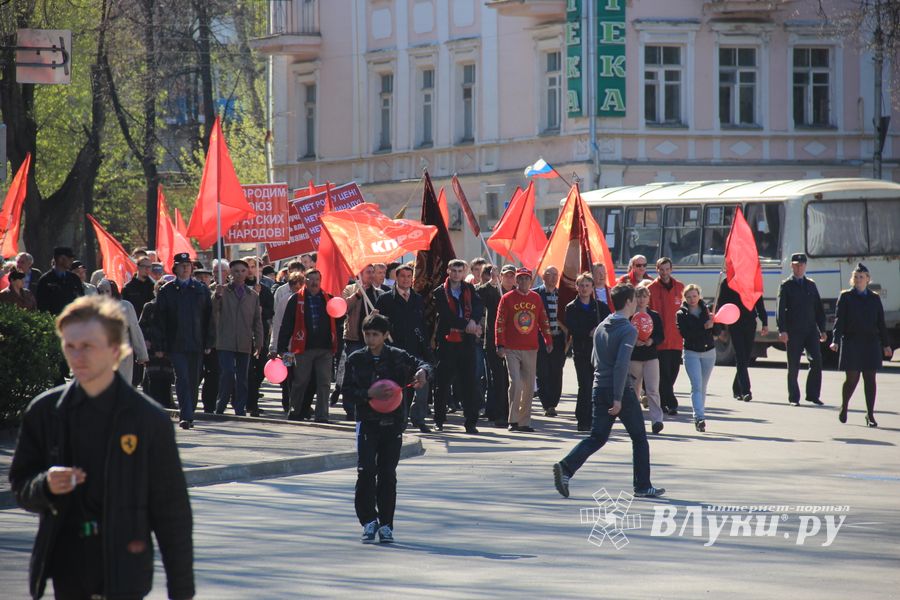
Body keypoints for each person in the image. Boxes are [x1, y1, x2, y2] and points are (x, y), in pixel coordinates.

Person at [8, 295, 194, 600]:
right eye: (70, 346)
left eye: (88, 346)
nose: (77, 356)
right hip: (66, 572)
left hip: (126, 573)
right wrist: (46, 484)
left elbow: (172, 512)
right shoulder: (46, 412)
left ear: (114, 350)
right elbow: (21, 485)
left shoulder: (149, 420)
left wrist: (182, 591)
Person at [553, 284, 665, 499]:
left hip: (599, 386)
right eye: (635, 300)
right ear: (630, 301)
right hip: (619, 390)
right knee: (639, 438)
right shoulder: (628, 329)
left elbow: (595, 359)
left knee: (597, 437)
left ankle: (566, 468)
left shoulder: (603, 324)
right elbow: (622, 364)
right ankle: (642, 486)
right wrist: (617, 397)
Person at [342, 313, 430, 544]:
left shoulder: (398, 357)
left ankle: (387, 524)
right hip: (367, 423)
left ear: (385, 335)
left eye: (375, 335)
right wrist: (368, 394)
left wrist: (423, 373)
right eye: (367, 334)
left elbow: (423, 364)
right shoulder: (356, 359)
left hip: (393, 424)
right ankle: (369, 520)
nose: (370, 340)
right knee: (366, 471)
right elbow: (347, 395)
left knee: (388, 475)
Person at [153, 253, 213, 429]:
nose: (185, 268)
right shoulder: (167, 291)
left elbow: (209, 319)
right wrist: (159, 345)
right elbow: (159, 320)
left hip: (196, 343)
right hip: (176, 344)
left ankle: (189, 411)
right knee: (183, 378)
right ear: (175, 268)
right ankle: (185, 415)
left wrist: (209, 342)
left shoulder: (201, 289)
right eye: (181, 265)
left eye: (188, 264)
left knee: (194, 380)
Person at [830, 263, 893, 427]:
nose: (858, 280)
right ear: (853, 279)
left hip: (870, 343)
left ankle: (870, 414)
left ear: (868, 279)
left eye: (861, 277)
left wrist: (887, 345)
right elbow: (839, 321)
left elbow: (881, 323)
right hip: (852, 341)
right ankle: (845, 406)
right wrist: (835, 341)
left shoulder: (874, 298)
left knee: (870, 379)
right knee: (852, 379)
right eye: (856, 277)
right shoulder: (846, 297)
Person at [375, 264, 433, 432]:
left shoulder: (417, 299)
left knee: (421, 385)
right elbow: (377, 326)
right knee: (400, 388)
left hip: (416, 349)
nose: (406, 279)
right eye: (402, 276)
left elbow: (423, 324)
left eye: (409, 276)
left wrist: (426, 345)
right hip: (395, 349)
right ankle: (401, 420)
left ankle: (419, 418)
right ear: (396, 277)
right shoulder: (385, 299)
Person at [496, 268, 552, 433]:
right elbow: (499, 323)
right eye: (520, 279)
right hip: (511, 349)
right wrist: (500, 344)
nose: (523, 282)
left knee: (528, 386)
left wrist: (548, 340)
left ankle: (524, 422)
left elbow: (543, 320)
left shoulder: (536, 299)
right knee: (516, 382)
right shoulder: (507, 299)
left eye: (527, 279)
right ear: (516, 281)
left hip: (531, 348)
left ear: (531, 281)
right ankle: (512, 420)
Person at [432, 259, 485, 433]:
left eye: (459, 271)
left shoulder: (469, 289)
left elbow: (478, 307)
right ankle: (439, 419)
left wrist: (474, 322)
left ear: (464, 272)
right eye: (453, 270)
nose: (456, 274)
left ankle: (471, 422)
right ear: (448, 271)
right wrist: (468, 325)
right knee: (443, 383)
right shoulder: (440, 292)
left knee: (469, 383)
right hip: (447, 343)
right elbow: (447, 316)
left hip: (466, 342)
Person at [278, 269, 338, 423]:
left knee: (324, 382)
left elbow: (338, 323)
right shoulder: (296, 299)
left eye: (317, 279)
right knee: (301, 381)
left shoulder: (328, 299)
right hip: (304, 347)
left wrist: (338, 346)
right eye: (311, 279)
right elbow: (286, 324)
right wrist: (282, 347)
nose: (314, 282)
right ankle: (295, 411)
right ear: (305, 281)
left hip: (325, 348)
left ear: (321, 280)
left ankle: (322, 415)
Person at [213, 259, 264, 416]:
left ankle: (240, 407)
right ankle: (221, 404)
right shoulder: (222, 291)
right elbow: (213, 313)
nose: (239, 274)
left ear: (248, 272)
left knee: (243, 377)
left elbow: (257, 320)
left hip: (244, 341)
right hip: (225, 341)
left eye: (243, 271)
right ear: (230, 273)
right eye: (236, 271)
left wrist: (259, 342)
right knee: (227, 373)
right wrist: (216, 297)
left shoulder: (253, 295)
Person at [777, 253, 826, 406]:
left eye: (801, 265)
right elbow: (780, 310)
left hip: (810, 330)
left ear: (805, 266)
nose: (799, 268)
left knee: (816, 361)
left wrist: (822, 329)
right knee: (793, 365)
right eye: (796, 265)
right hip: (793, 331)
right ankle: (793, 397)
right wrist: (782, 330)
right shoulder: (786, 285)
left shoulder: (811, 285)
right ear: (791, 266)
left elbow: (818, 308)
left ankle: (812, 394)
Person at [566, 272, 610, 431]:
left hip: (598, 353)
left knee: (597, 385)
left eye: (587, 285)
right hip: (582, 352)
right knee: (585, 385)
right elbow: (573, 328)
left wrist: (599, 331)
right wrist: (588, 332)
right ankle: (583, 419)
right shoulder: (571, 307)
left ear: (592, 288)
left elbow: (609, 325)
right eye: (581, 285)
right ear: (576, 287)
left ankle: (596, 417)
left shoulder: (601, 307)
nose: (584, 288)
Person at [676, 284, 719, 432]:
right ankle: (699, 417)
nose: (692, 299)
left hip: (709, 352)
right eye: (688, 297)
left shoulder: (707, 310)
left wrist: (715, 322)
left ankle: (700, 414)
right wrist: (704, 326)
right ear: (685, 298)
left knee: (703, 386)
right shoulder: (681, 314)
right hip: (691, 352)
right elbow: (686, 334)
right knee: (696, 385)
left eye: (694, 296)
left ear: (699, 295)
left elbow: (717, 332)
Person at [717, 278, 768, 402]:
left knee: (746, 357)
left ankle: (736, 388)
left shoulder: (752, 281)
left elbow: (759, 301)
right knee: (740, 356)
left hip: (750, 322)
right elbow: (721, 304)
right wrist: (721, 328)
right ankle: (746, 391)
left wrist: (764, 322)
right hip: (735, 323)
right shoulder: (727, 282)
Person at [648, 257, 685, 416]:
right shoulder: (651, 289)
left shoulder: (680, 287)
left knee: (673, 372)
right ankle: (670, 402)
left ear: (671, 269)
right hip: (660, 339)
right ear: (657, 270)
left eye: (667, 269)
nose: (664, 272)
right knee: (663, 373)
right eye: (661, 269)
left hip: (676, 339)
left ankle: (664, 400)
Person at [476, 264, 512, 427]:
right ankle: (499, 414)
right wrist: (491, 282)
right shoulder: (492, 290)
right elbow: (478, 297)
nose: (509, 279)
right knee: (498, 379)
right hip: (493, 342)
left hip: (514, 343)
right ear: (501, 276)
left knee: (513, 380)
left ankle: (512, 412)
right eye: (506, 275)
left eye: (513, 276)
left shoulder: (518, 293)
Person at [97, 279, 149, 386]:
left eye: (107, 291)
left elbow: (135, 330)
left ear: (113, 291)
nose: (104, 294)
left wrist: (142, 354)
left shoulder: (125, 306)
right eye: (101, 291)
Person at [630, 283, 665, 434]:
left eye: (644, 296)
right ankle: (634, 420)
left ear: (648, 298)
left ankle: (657, 420)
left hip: (651, 357)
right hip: (634, 358)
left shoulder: (654, 315)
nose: (641, 299)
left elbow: (660, 336)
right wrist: (634, 341)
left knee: (652, 389)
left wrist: (652, 341)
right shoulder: (629, 316)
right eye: (638, 296)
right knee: (634, 390)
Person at [534, 266, 567, 417]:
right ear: (543, 276)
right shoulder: (535, 294)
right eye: (550, 274)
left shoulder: (563, 295)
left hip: (559, 339)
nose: (553, 277)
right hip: (540, 340)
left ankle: (553, 403)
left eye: (556, 274)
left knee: (556, 372)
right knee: (542, 372)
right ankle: (546, 404)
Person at [270, 270, 305, 413]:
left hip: (302, 345)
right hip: (288, 346)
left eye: (299, 284)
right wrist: (274, 346)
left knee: (301, 376)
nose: (296, 288)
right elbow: (277, 323)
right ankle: (287, 401)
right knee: (288, 376)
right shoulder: (285, 301)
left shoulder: (306, 300)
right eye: (293, 284)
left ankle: (301, 403)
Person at [245, 257, 275, 417]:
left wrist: (263, 310)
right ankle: (249, 403)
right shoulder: (240, 288)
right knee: (247, 371)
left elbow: (271, 310)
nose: (250, 270)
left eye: (253, 267)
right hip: (243, 334)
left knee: (261, 368)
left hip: (260, 333)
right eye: (247, 267)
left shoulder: (264, 289)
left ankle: (252, 396)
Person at [139, 279, 175, 409]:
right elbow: (142, 326)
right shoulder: (149, 307)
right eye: (158, 290)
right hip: (152, 348)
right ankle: (152, 406)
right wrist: (146, 342)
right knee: (153, 378)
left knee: (166, 378)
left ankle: (166, 405)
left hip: (168, 348)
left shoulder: (172, 307)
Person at [35, 246, 84, 315]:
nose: (71, 261)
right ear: (61, 259)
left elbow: (81, 298)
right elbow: (41, 305)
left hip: (73, 320)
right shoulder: (45, 280)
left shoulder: (74, 278)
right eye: (69, 259)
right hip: (54, 321)